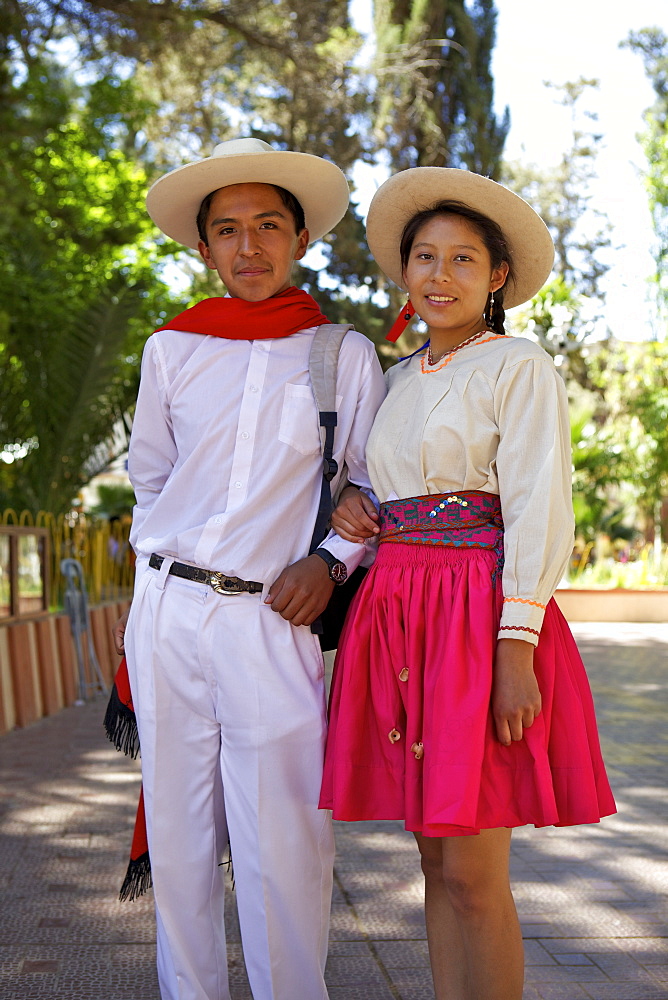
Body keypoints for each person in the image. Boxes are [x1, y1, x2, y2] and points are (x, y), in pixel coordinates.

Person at [318, 167, 616, 1000]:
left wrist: (514, 649)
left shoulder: (518, 367)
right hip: (397, 612)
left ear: (497, 278)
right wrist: (354, 501)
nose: (440, 275)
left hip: (474, 622)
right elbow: (386, 484)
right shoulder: (396, 378)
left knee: (476, 875)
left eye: (462, 260)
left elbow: (536, 504)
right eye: (424, 257)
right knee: (434, 863)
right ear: (405, 273)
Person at [115, 137, 386, 1000]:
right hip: (167, 613)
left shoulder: (340, 353)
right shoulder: (172, 349)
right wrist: (154, 581)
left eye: (268, 225)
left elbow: (377, 487)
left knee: (284, 843)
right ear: (202, 249)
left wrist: (332, 562)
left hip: (273, 618)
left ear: (300, 239)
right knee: (183, 839)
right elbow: (149, 480)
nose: (248, 246)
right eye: (227, 230)